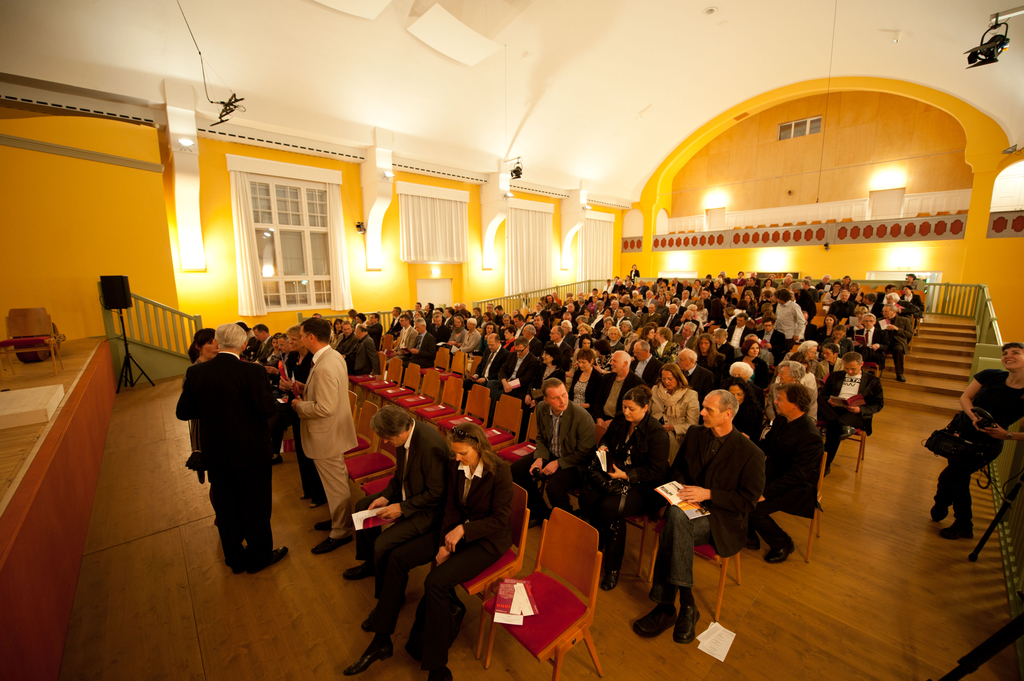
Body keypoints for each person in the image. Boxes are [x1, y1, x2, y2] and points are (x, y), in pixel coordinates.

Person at [631, 390, 765, 644]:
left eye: (708, 410)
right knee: (677, 519)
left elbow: (748, 501)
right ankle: (686, 605)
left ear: (727, 414)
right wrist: (677, 489)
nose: (701, 412)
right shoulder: (695, 434)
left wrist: (709, 494)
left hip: (721, 519)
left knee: (674, 523)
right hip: (686, 506)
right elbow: (678, 469)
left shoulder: (750, 453)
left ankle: (667, 607)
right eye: (702, 407)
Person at [343, 406, 449, 676]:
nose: (386, 442)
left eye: (388, 438)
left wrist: (401, 508)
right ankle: (371, 566)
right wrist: (386, 496)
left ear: (402, 431)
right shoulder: (405, 436)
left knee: (384, 546)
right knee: (363, 506)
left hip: (425, 512)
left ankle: (386, 601)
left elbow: (437, 495)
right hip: (407, 496)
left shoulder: (430, 447)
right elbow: (400, 476)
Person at [175, 323, 287, 574]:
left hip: (216, 450)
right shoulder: (252, 371)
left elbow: (183, 412)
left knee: (226, 505)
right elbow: (266, 410)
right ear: (244, 344)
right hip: (251, 451)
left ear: (216, 343)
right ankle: (259, 556)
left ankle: (234, 558)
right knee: (256, 504)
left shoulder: (196, 372)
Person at [410, 423, 514, 681]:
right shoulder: (455, 464)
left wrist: (463, 530)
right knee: (435, 580)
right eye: (454, 453)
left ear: (478, 447)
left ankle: (436, 665)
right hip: (463, 532)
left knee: (435, 582)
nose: (457, 458)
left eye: (462, 453)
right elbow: (452, 506)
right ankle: (426, 645)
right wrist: (444, 543)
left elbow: (499, 520)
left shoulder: (500, 471)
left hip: (489, 540)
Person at [931, 343, 1024, 539]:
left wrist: (1007, 435)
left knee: (949, 478)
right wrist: (973, 416)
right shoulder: (990, 375)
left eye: (1016, 353)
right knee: (960, 480)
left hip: (986, 445)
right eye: (1005, 353)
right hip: (961, 434)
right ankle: (964, 524)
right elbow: (966, 397)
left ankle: (941, 503)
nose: (1008, 356)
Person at [580, 385, 669, 590]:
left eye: (631, 409)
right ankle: (597, 542)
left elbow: (657, 470)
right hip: (618, 473)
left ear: (645, 408)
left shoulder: (657, 432)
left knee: (612, 509)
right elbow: (607, 437)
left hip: (646, 485)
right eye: (624, 407)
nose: (626, 412)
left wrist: (627, 475)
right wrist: (603, 446)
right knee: (588, 495)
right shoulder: (621, 420)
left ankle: (612, 568)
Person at [291, 317, 358, 554]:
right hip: (332, 430)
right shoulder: (332, 356)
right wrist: (305, 389)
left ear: (311, 337)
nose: (299, 340)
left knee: (335, 484)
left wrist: (299, 405)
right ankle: (339, 520)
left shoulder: (325, 364)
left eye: (301, 336)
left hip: (326, 433)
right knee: (334, 482)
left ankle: (341, 531)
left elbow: (325, 408)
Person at [747, 383, 823, 563]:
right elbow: (767, 446)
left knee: (753, 508)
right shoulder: (781, 420)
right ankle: (749, 536)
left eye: (780, 399)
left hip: (796, 487)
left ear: (795, 405)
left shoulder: (810, 435)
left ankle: (782, 543)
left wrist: (766, 493)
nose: (775, 402)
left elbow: (798, 476)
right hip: (775, 474)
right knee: (738, 491)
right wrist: (746, 444)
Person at [511, 379, 596, 526]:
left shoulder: (582, 416)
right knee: (516, 470)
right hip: (551, 453)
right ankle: (541, 512)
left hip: (575, 462)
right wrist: (540, 458)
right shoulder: (541, 408)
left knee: (554, 488)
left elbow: (585, 453)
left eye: (564, 395)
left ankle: (567, 523)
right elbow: (541, 438)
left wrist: (558, 463)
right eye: (556, 398)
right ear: (546, 400)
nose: (562, 401)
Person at [276, 326, 327, 506]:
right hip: (296, 405)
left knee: (312, 451)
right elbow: (291, 379)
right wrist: (286, 387)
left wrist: (296, 387)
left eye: (294, 339)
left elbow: (316, 389)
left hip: (309, 406)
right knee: (301, 449)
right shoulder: (292, 357)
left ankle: (319, 493)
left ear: (305, 340)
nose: (290, 342)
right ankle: (308, 488)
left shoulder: (314, 359)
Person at [817, 352, 884, 475]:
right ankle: (842, 427)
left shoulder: (873, 381)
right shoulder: (835, 376)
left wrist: (860, 410)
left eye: (853, 369)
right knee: (817, 399)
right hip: (834, 409)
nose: (850, 372)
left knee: (833, 428)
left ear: (861, 364)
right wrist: (830, 400)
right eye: (846, 368)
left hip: (855, 413)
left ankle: (824, 464)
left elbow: (878, 404)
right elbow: (824, 395)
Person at [650, 363, 700, 462]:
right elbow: (647, 413)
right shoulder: (655, 389)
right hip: (653, 432)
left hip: (676, 437)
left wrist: (672, 427)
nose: (666, 382)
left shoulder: (690, 395)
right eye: (663, 379)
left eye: (670, 379)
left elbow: (692, 425)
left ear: (678, 378)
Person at [593, 351, 646, 427]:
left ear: (625, 364)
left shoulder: (637, 383)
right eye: (611, 360)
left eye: (614, 361)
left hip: (622, 423)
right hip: (602, 419)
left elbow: (635, 409)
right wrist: (599, 418)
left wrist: (615, 421)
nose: (611, 363)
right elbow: (598, 400)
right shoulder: (607, 378)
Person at [721, 376, 764, 443]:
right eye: (731, 394)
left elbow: (756, 436)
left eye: (739, 394)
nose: (735, 398)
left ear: (745, 394)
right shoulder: (720, 408)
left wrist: (748, 437)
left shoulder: (755, 411)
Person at [880, 304, 913, 382]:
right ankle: (873, 370)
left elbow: (909, 334)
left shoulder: (904, 320)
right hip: (884, 341)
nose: (884, 313)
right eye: (883, 311)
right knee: (876, 347)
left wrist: (897, 329)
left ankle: (899, 373)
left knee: (898, 349)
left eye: (886, 311)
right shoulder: (880, 320)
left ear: (894, 312)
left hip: (897, 342)